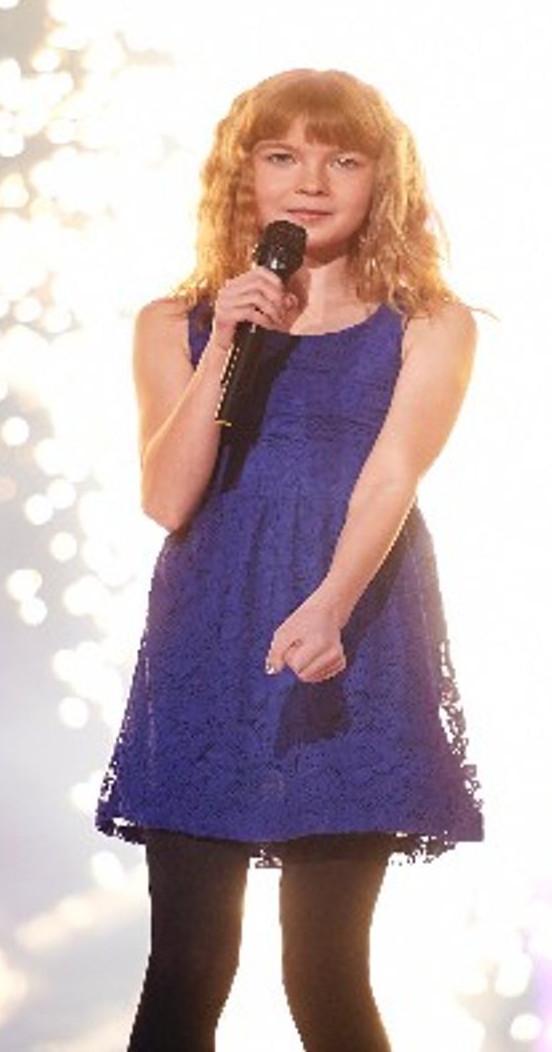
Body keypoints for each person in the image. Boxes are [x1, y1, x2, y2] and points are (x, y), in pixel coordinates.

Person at [94, 68, 482, 1052]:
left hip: (354, 632)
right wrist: (229, 338)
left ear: (382, 180)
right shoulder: (173, 324)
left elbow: (391, 477)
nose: (310, 182)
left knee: (325, 968)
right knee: (187, 964)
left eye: (342, 159)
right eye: (282, 157)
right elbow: (167, 497)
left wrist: (330, 605)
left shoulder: (430, 324)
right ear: (244, 175)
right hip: (212, 633)